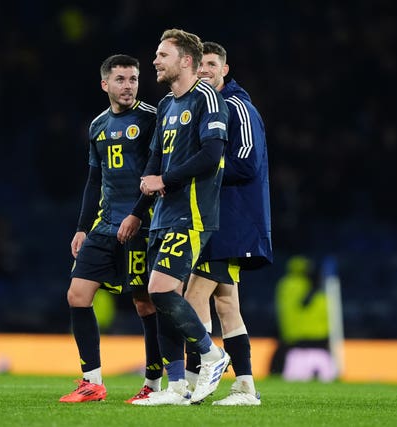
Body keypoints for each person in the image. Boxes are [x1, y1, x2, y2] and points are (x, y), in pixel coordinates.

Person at [132, 29, 230, 406]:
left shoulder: (206, 97)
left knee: (159, 290)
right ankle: (175, 387)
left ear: (185, 60)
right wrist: (147, 188)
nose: (155, 61)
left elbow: (211, 155)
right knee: (162, 298)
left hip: (191, 214)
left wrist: (164, 179)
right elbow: (156, 157)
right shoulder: (168, 104)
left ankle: (211, 354)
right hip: (163, 215)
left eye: (162, 55)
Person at [58, 54, 163, 403]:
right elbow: (94, 180)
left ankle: (154, 384)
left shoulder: (151, 119)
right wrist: (82, 228)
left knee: (145, 304)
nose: (128, 85)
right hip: (104, 227)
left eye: (133, 79)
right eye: (120, 79)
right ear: (105, 84)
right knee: (77, 295)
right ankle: (92, 381)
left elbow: (155, 173)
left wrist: (137, 214)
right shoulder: (97, 126)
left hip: (142, 225)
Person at [183, 42, 273, 406]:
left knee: (192, 297)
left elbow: (247, 162)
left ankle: (193, 380)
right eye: (199, 64)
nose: (204, 70)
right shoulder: (208, 107)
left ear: (224, 69)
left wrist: (200, 168)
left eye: (211, 64)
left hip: (231, 220)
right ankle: (246, 386)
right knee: (226, 304)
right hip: (214, 218)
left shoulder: (238, 107)